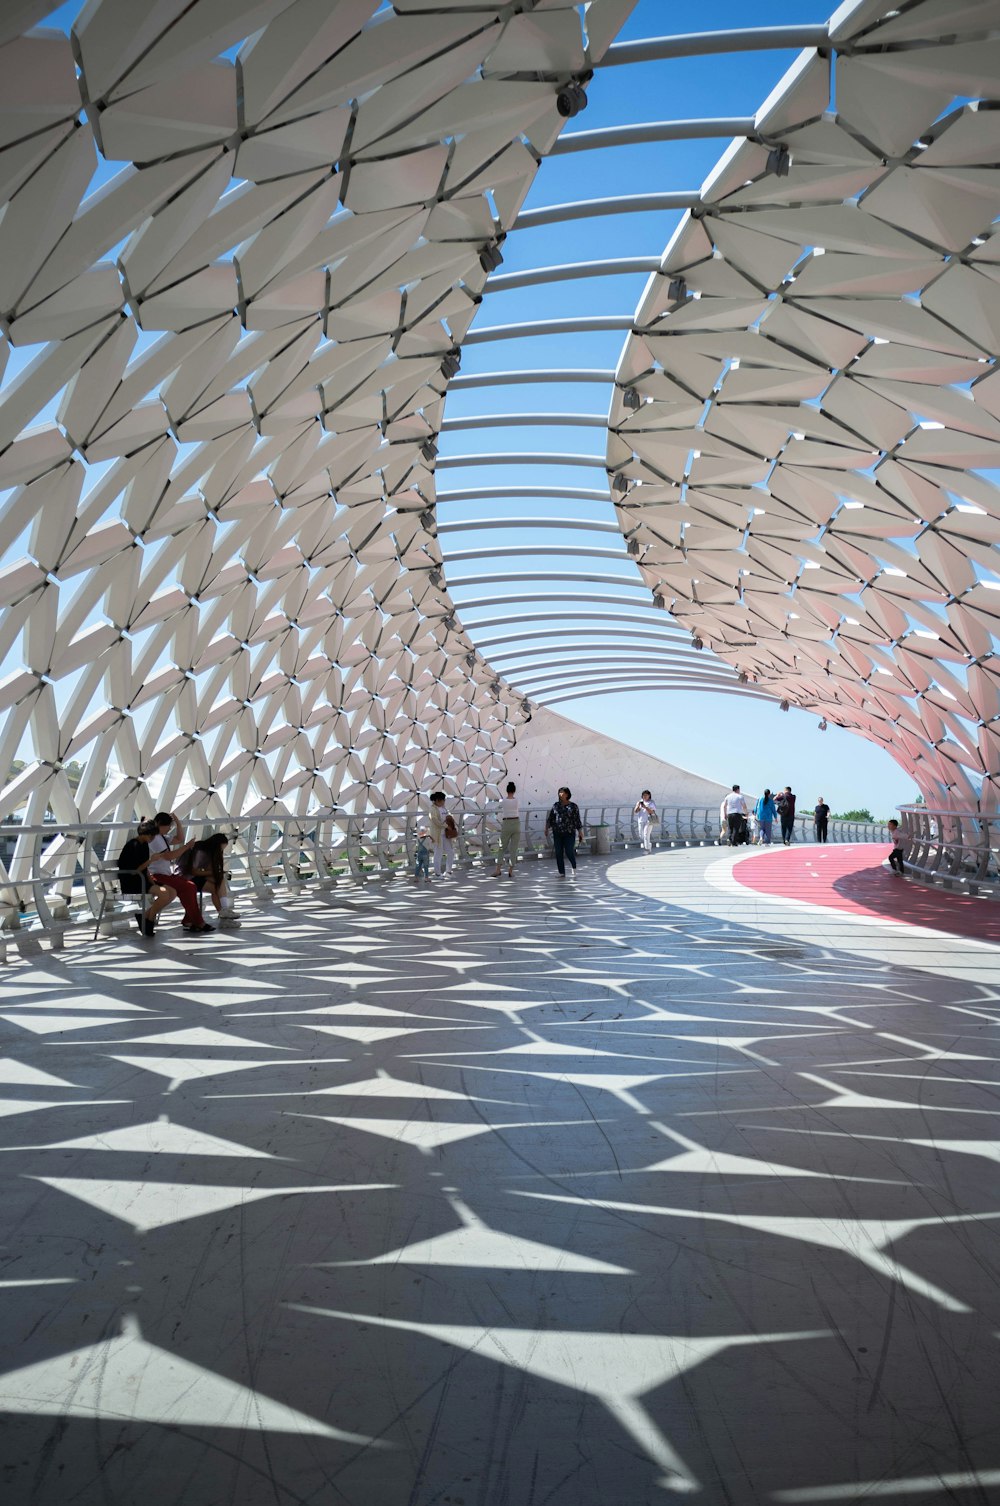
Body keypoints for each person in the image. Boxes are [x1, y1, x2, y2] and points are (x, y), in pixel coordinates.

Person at [145, 812, 214, 933]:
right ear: (161, 824)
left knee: (190, 887)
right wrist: (187, 846)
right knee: (188, 887)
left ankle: (193, 920)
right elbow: (169, 856)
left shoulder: (161, 837)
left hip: (164, 875)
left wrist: (178, 822)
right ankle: (197, 922)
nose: (170, 829)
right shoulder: (155, 838)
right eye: (169, 826)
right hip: (157, 875)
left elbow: (179, 839)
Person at [181, 832, 240, 925]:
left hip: (192, 875)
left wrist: (214, 872)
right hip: (187, 877)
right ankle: (223, 911)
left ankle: (223, 911)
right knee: (217, 886)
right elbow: (193, 871)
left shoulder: (205, 850)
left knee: (218, 883)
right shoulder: (200, 851)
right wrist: (213, 873)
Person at [116, 820, 164, 936]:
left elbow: (144, 868)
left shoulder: (144, 845)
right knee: (165, 893)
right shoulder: (133, 846)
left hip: (141, 880)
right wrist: (151, 861)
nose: (152, 838)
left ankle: (147, 917)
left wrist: (152, 883)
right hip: (132, 883)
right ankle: (148, 919)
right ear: (145, 834)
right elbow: (134, 871)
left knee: (171, 892)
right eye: (151, 835)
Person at [545, 787, 583, 877]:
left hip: (569, 833)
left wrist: (580, 832)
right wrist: (546, 828)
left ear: (567, 794)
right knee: (558, 852)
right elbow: (550, 818)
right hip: (557, 833)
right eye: (559, 793)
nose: (560, 794)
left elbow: (577, 820)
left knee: (569, 851)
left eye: (562, 793)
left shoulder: (573, 806)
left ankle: (574, 867)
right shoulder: (556, 805)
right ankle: (561, 872)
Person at [494, 781, 520, 877]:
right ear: (514, 790)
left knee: (502, 847)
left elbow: (500, 807)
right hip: (516, 823)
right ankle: (511, 871)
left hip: (506, 823)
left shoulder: (503, 801)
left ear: (507, 790)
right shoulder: (517, 800)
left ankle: (498, 870)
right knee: (514, 848)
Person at [428, 791, 456, 877]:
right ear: (437, 800)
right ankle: (437, 873)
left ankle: (448, 871)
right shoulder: (432, 809)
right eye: (442, 800)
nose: (444, 802)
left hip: (446, 834)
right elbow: (435, 820)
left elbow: (448, 816)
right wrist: (446, 826)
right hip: (438, 835)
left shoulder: (444, 808)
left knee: (450, 852)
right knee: (438, 853)